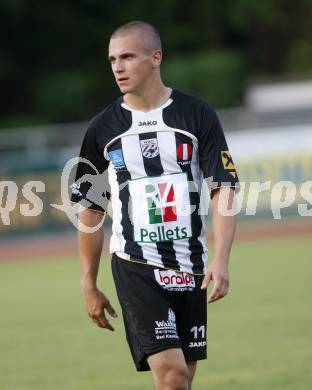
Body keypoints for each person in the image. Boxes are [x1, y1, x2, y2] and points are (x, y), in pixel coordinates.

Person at [71, 20, 238, 390]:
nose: (118, 66)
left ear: (156, 57)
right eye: (113, 59)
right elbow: (90, 209)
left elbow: (222, 189)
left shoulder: (197, 115)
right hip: (135, 266)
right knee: (174, 376)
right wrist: (88, 282)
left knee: (181, 382)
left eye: (128, 57)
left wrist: (222, 258)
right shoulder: (102, 129)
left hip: (190, 266)